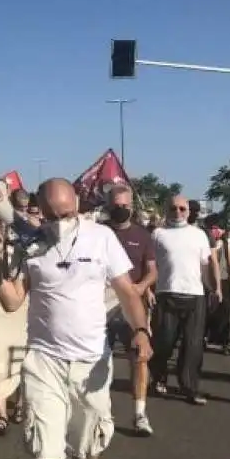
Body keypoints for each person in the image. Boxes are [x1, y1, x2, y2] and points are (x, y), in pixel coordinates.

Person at [0, 179, 151, 459]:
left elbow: (126, 290)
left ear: (77, 203)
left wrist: (140, 330)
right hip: (43, 361)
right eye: (52, 216)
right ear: (41, 212)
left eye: (68, 213)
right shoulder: (30, 246)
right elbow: (12, 300)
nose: (61, 221)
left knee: (88, 442)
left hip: (91, 360)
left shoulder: (101, 237)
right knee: (44, 446)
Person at [149, 196, 218, 406]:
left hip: (195, 295)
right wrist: (149, 291)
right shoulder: (158, 234)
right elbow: (150, 265)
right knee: (164, 342)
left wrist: (214, 289)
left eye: (182, 208)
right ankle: (158, 377)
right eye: (173, 208)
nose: (178, 212)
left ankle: (189, 386)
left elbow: (205, 265)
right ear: (166, 211)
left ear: (188, 212)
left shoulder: (199, 235)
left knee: (193, 345)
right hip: (166, 294)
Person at [104, 185, 158, 436]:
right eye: (116, 205)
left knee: (139, 357)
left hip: (132, 305)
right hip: (102, 304)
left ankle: (139, 413)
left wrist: (140, 287)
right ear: (108, 205)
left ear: (132, 207)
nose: (121, 210)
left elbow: (152, 270)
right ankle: (102, 413)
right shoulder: (99, 233)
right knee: (98, 360)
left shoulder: (143, 235)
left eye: (125, 206)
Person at [206, 219, 230, 354]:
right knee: (209, 313)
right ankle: (207, 337)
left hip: (224, 281)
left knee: (225, 313)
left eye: (218, 228)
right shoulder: (206, 244)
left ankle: (225, 342)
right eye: (213, 228)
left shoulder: (227, 245)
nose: (216, 231)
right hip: (209, 283)